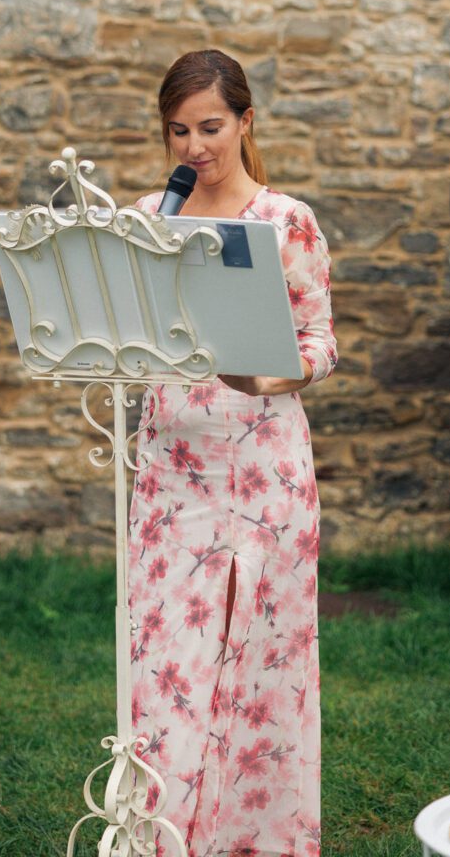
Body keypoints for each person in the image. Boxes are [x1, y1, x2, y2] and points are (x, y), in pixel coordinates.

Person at [128, 50, 337, 857]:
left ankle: (259, 842)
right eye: (178, 130)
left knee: (261, 673)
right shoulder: (150, 215)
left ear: (245, 122)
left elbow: (322, 343)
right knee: (167, 672)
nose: (193, 147)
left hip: (264, 471)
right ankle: (164, 839)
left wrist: (270, 374)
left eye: (210, 127)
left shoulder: (287, 220)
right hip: (172, 472)